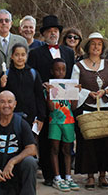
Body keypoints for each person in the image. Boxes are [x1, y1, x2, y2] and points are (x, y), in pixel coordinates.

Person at [26, 15, 75, 185]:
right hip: (45, 102)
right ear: (44, 34)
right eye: (49, 31)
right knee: (48, 139)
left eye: (55, 31)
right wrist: (42, 85)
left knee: (65, 139)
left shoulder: (69, 52)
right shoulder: (35, 53)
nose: (53, 34)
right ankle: (49, 175)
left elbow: (71, 76)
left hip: (65, 104)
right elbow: (31, 76)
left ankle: (64, 174)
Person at [72, 32, 108, 189]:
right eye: (93, 44)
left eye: (99, 44)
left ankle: (103, 175)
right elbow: (74, 87)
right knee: (88, 143)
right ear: (87, 47)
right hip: (87, 107)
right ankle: (90, 176)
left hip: (105, 107)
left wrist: (104, 92)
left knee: (105, 142)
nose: (96, 47)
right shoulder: (78, 66)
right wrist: (87, 93)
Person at [45, 58, 79, 192]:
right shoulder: (50, 86)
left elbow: (74, 107)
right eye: (57, 69)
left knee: (67, 150)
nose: (60, 72)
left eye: (63, 69)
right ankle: (57, 177)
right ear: (52, 71)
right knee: (54, 149)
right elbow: (51, 109)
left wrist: (76, 93)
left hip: (69, 122)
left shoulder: (69, 87)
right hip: (55, 122)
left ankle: (68, 177)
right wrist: (48, 93)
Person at [0, 43, 46, 131]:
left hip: (31, 116)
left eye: (23, 55)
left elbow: (39, 96)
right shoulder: (6, 74)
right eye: (17, 55)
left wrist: (41, 117)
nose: (20, 58)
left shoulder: (33, 73)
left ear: (27, 56)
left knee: (30, 142)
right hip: (11, 115)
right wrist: (2, 85)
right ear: (12, 56)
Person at [0, 9, 27, 76]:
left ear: (11, 23)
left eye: (7, 20)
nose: (4, 23)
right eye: (0, 21)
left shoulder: (22, 41)